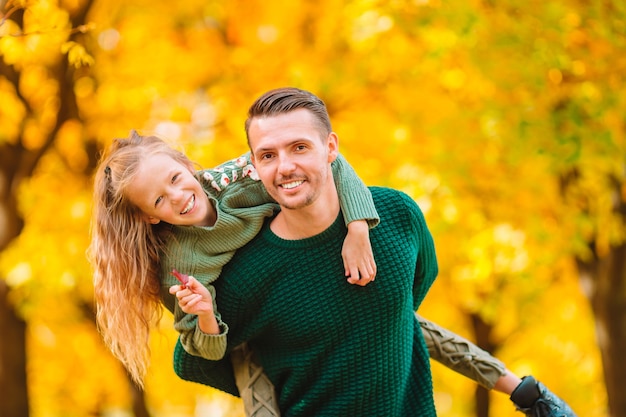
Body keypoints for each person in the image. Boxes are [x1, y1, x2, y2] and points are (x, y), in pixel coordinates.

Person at [169, 87, 578, 417]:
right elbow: (193, 361)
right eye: (268, 155)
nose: (285, 167)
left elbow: (408, 299)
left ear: (331, 148)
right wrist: (269, 369)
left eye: (299, 148)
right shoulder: (249, 272)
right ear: (255, 167)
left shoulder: (397, 215)